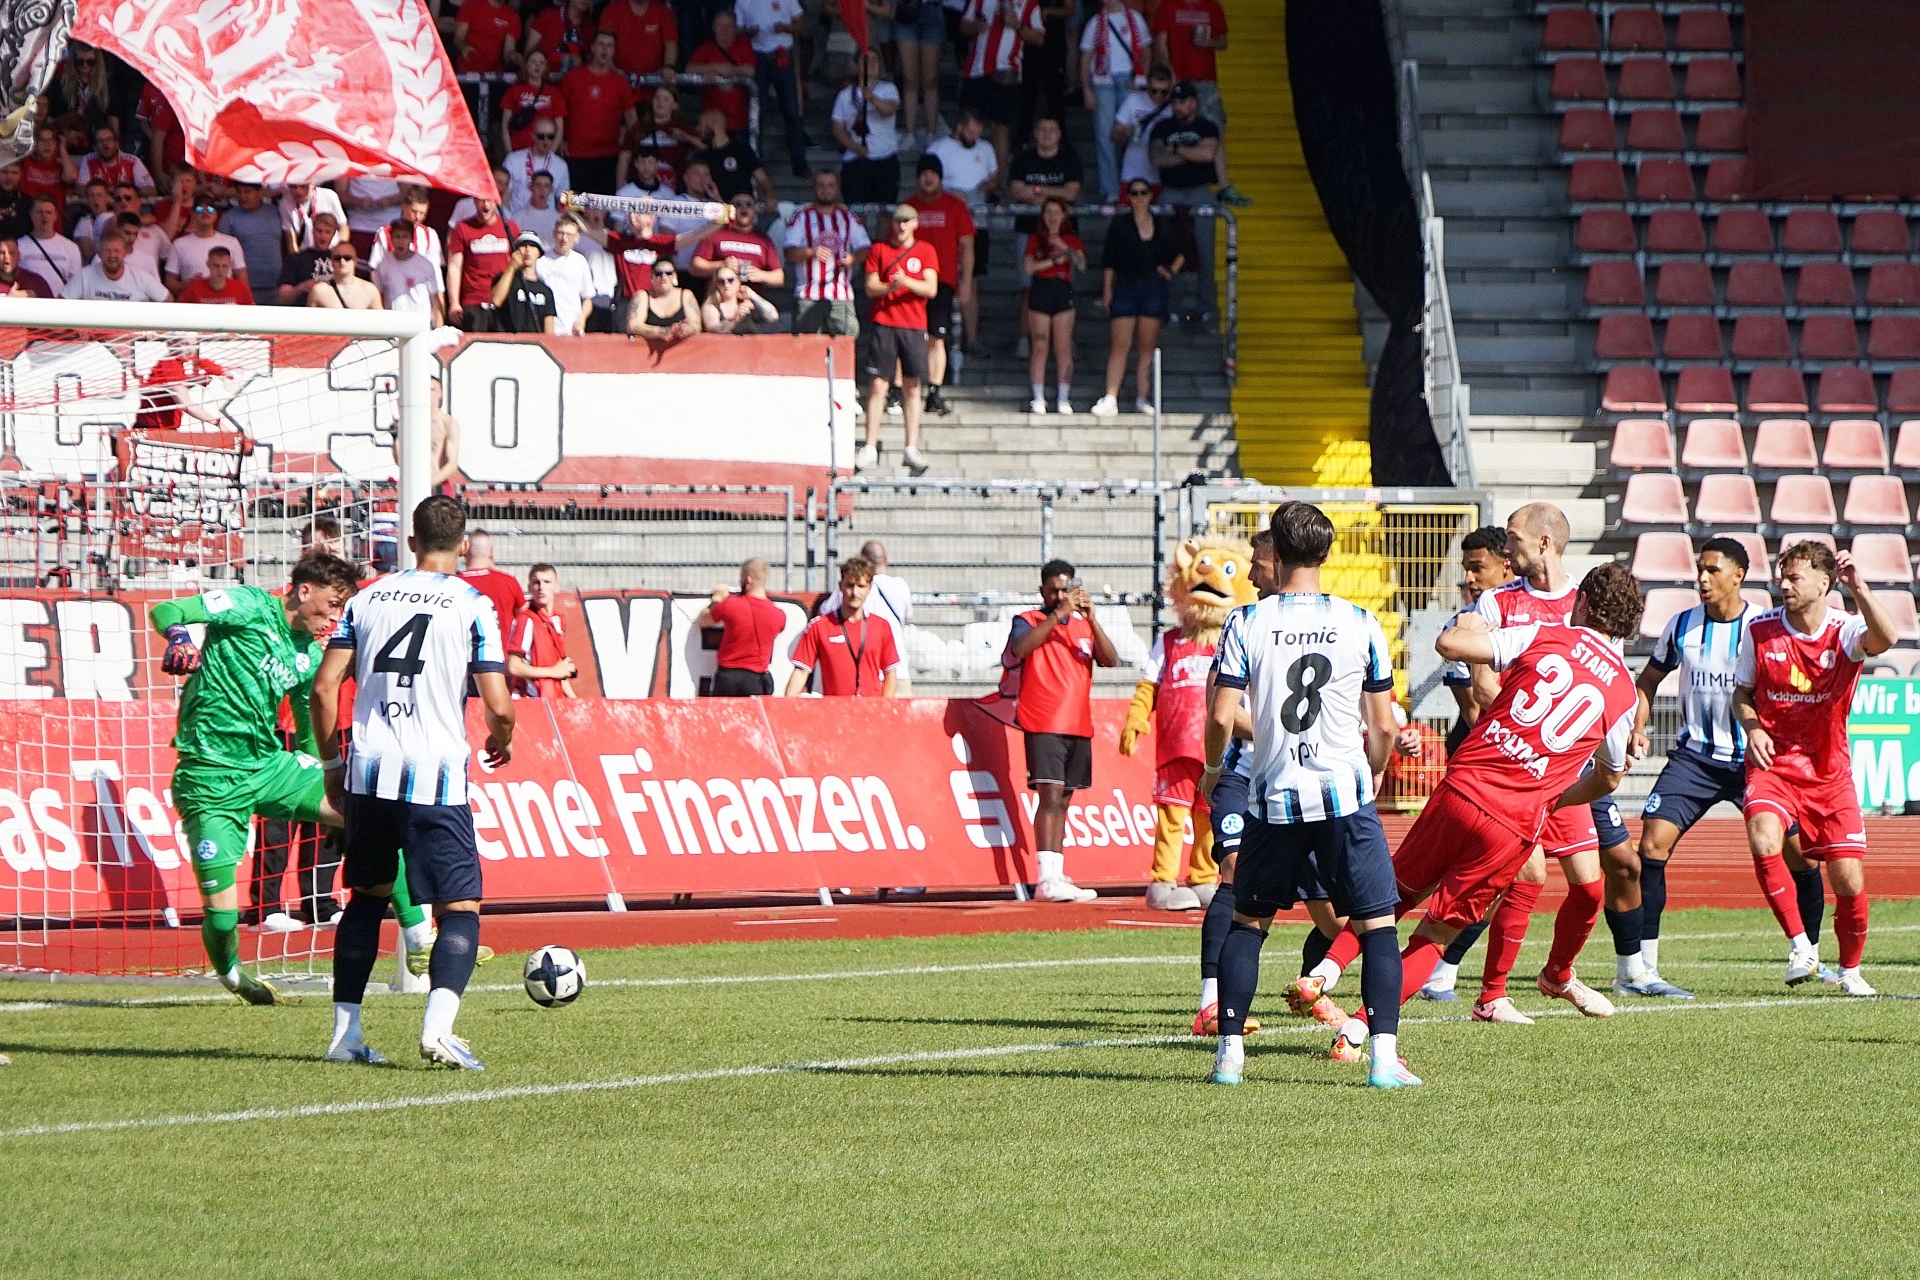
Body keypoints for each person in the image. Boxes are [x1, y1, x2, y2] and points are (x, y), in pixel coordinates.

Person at [1307, 562, 1646, 1065]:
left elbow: (1450, 645)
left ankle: (1324, 973)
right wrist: (1555, 798)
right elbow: (1610, 778)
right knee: (1437, 934)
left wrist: (1468, 624)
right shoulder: (1623, 692)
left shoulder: (1543, 633)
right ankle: (1357, 1031)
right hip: (1513, 822)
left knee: (1392, 897)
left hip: (1464, 787)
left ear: (1583, 603)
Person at [1201, 504, 1408, 1087]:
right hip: (1344, 797)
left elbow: (1220, 714)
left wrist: (1214, 768)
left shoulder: (1246, 621)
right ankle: (1383, 1061)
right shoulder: (1360, 621)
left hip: (1273, 797)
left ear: (1277, 552)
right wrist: (1374, 771)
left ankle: (1230, 1057)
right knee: (1378, 928)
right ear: (1326, 551)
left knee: (1248, 924)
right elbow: (1384, 725)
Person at [310, 495, 516, 1070]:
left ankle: (345, 1036)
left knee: (367, 898)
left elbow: (324, 688)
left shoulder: (367, 598)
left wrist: (332, 767)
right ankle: (438, 1030)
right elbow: (499, 704)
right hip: (436, 777)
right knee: (460, 907)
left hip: (369, 771)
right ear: (464, 545)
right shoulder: (473, 604)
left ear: (411, 541)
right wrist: (502, 736)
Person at [1441, 503, 1638, 1023]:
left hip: (1567, 771)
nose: (1506, 549)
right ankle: (1490, 994)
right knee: (1524, 874)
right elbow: (1483, 685)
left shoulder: (1591, 603)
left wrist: (1626, 731)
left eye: (1513, 538)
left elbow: (1612, 681)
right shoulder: (1499, 601)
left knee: (1590, 888)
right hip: (1513, 767)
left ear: (1544, 542)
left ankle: (1558, 974)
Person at [146, 554, 364, 1004]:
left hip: (267, 767)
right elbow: (167, 610)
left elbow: (308, 728)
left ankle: (420, 939)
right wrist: (179, 636)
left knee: (367, 814)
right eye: (333, 604)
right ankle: (233, 977)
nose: (335, 617)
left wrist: (326, 781)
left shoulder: (308, 656)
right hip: (207, 777)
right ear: (304, 590)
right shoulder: (246, 605)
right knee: (222, 916)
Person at [1594, 538, 1763, 1002]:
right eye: (1699, 569)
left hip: (1752, 759)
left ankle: (1807, 953)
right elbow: (1648, 680)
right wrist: (1637, 728)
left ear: (1738, 575)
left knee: (1794, 852)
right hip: (1695, 758)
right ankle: (1643, 966)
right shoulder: (1682, 624)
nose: (1702, 579)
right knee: (1650, 844)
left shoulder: (1762, 627)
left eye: (1712, 570)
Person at [1733, 542, 1897, 995]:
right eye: (1782, 577)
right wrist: (1753, 728)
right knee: (1763, 837)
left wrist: (1859, 587)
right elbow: (1742, 693)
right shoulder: (1760, 630)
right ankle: (1801, 946)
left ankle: (1850, 970)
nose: (1784, 585)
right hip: (1775, 765)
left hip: (1829, 771)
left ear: (1824, 583)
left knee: (1847, 879)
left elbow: (1886, 639)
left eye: (1795, 577)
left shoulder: (1845, 630)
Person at [1192, 528, 1276, 1034]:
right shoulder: (1242, 624)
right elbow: (1219, 705)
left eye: (1258, 562)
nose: (1251, 573)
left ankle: (1319, 984)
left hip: (1296, 784)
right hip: (1240, 775)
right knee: (1232, 871)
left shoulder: (1329, 622)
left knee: (1332, 907)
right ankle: (1210, 1003)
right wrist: (1277, 733)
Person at [1000, 558, 1118, 900]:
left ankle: (1057, 871)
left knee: (1064, 799)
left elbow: (1110, 660)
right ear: (1042, 591)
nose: (1060, 596)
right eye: (1053, 591)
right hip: (1043, 720)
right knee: (1049, 797)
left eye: (1065, 590)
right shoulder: (1028, 620)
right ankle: (1045, 878)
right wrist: (1056, 616)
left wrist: (1092, 620)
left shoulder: (1082, 627)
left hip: (1077, 723)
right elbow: (1020, 648)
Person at [860, 205, 939, 475]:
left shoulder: (926, 250)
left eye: (907, 221)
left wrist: (905, 282)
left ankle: (911, 446)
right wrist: (890, 287)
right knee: (877, 384)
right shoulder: (879, 249)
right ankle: (870, 445)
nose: (902, 226)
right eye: (898, 221)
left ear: (915, 223)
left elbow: (931, 288)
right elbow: (871, 286)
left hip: (914, 324)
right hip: (884, 321)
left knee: (913, 386)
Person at [1091, 180, 1180, 416]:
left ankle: (1143, 397)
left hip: (1153, 285)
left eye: (1143, 193)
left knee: (1146, 346)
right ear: (1128, 197)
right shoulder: (1120, 224)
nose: (1139, 197)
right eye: (1134, 193)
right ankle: (1111, 397)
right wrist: (1107, 290)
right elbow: (1109, 260)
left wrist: (1170, 271)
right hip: (1126, 284)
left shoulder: (1162, 224)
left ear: (1151, 196)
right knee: (1119, 345)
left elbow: (1181, 250)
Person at [1150, 0, 1242, 203]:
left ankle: (1223, 185)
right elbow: (1161, 43)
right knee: (1174, 129)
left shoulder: (1212, 6)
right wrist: (1168, 72)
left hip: (1206, 79)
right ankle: (1173, 181)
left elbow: (1223, 41)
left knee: (1215, 128)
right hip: (1179, 78)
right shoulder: (1169, 5)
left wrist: (1208, 43)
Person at [1150, 82, 1222, 329]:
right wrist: (1191, 153)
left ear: (1193, 103)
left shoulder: (1207, 126)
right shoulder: (1162, 127)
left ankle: (1207, 309)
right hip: (1171, 193)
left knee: (1205, 253)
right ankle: (1171, 308)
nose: (1177, 107)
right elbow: (1158, 158)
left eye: (1182, 102)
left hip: (1201, 192)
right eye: (1174, 102)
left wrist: (1176, 149)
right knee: (1170, 253)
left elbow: (1208, 154)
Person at [904, 156, 972, 415]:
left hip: (942, 282)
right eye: (924, 173)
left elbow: (967, 246)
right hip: (909, 282)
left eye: (933, 173)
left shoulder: (955, 206)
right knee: (907, 337)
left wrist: (966, 283)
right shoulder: (908, 208)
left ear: (941, 178)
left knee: (937, 338)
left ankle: (933, 392)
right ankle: (901, 390)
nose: (928, 178)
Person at [786, 555, 904, 696]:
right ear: (840, 586)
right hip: (835, 707)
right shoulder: (820, 626)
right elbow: (801, 671)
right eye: (850, 585)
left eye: (861, 586)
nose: (855, 593)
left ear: (869, 588)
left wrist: (884, 706)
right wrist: (786, 705)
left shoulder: (881, 626)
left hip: (870, 707)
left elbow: (890, 673)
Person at [958, 0, 1045, 184]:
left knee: (1001, 129)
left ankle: (996, 183)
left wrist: (1017, 25)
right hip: (977, 71)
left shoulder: (1029, 4)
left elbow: (1039, 38)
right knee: (970, 126)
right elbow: (963, 27)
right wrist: (975, 26)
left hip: (1006, 74)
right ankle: (965, 178)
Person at [1079, 0, 1151, 202]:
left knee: (1131, 135)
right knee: (1105, 137)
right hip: (1102, 82)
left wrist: (1143, 77)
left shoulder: (1135, 18)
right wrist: (1086, 90)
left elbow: (1146, 50)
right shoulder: (1094, 22)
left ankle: (1133, 185)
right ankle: (1110, 190)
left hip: (1129, 80)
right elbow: (1085, 58)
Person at [786, 169, 868, 337]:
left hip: (841, 295)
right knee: (807, 346)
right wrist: (811, 252)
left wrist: (853, 258)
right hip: (808, 295)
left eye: (830, 185)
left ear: (837, 189)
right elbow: (789, 252)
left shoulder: (848, 217)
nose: (826, 190)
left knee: (846, 342)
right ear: (814, 188)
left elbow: (865, 248)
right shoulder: (801, 217)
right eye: (821, 185)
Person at [734, 0, 812, 178]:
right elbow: (737, 29)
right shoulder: (743, 1)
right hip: (756, 56)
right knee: (756, 113)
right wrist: (748, 32)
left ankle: (799, 163)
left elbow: (800, 21)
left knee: (792, 111)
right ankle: (755, 163)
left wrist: (786, 28)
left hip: (782, 54)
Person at [1022, 197, 1085, 415]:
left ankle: (1063, 398)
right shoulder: (1035, 239)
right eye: (1048, 212)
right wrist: (1054, 262)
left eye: (1056, 212)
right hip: (1041, 288)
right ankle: (1038, 397)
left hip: (1062, 289)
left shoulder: (1071, 239)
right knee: (1040, 346)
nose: (1052, 217)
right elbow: (1028, 267)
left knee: (1063, 347)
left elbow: (1081, 263)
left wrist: (1065, 247)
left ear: (1064, 216)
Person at [561, 31, 639, 195]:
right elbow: (559, 112)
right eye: (601, 44)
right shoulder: (573, 77)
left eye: (609, 46)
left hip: (609, 156)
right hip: (576, 154)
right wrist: (560, 140)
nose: (605, 49)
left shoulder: (620, 82)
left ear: (614, 51)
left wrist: (631, 148)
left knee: (604, 205)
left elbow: (631, 118)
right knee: (576, 205)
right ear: (593, 48)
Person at [697, 558, 787, 695]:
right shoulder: (779, 615)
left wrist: (716, 599)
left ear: (748, 579)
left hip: (727, 678)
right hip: (757, 680)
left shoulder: (730, 605)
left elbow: (703, 620)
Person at [833, 49, 903, 206]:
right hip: (856, 159)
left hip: (885, 157)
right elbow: (837, 128)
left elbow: (889, 109)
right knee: (856, 210)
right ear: (856, 65)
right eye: (865, 60)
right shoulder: (845, 95)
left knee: (886, 210)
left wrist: (872, 98)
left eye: (874, 60)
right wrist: (855, 148)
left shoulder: (888, 88)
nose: (870, 64)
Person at [447, 196, 521, 331]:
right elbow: (454, 267)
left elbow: (519, 263)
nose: (485, 204)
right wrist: (454, 303)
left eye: (489, 200)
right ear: (474, 201)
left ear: (496, 201)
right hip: (474, 303)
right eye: (481, 200)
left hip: (504, 302)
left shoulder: (510, 228)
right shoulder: (463, 228)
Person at [508, 563, 580, 698]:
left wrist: (574, 701)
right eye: (536, 582)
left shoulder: (558, 620)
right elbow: (513, 666)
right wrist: (553, 671)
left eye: (547, 582)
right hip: (528, 699)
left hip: (551, 697)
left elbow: (560, 671)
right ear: (529, 588)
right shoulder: (525, 620)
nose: (541, 587)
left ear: (556, 587)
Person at [686, 11, 758, 138]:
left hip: (739, 121)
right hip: (712, 122)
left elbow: (750, 69)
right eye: (720, 25)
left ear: (735, 28)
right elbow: (689, 69)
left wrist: (732, 69)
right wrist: (714, 68)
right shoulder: (706, 47)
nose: (724, 29)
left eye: (729, 25)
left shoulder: (743, 44)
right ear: (714, 28)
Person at [692, 193, 785, 292]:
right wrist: (721, 265)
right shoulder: (715, 233)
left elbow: (779, 277)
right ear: (731, 210)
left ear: (755, 212)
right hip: (719, 296)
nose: (744, 208)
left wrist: (761, 275)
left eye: (749, 205)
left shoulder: (763, 240)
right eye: (738, 204)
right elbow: (695, 267)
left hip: (749, 298)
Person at [692, 108, 777, 208]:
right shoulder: (701, 155)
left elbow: (762, 177)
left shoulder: (741, 150)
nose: (697, 129)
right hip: (712, 209)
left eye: (701, 124)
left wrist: (770, 196)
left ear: (712, 123)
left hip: (741, 209)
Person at [63, 229, 170, 302]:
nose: (112, 255)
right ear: (99, 254)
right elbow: (62, 303)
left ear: (124, 253)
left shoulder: (140, 277)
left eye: (117, 251)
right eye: (107, 251)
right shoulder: (85, 276)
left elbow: (167, 300)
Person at [1113, 64, 1174, 193]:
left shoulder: (1173, 107)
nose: (1158, 95)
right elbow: (1114, 134)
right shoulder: (1133, 100)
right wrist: (1124, 133)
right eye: (1154, 91)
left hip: (1161, 176)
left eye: (1164, 92)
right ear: (1148, 85)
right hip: (1132, 174)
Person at [164, 200, 247, 293]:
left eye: (210, 209)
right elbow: (169, 283)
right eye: (200, 209)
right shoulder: (178, 244)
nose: (205, 212)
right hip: (193, 298)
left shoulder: (232, 242)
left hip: (225, 299)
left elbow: (242, 278)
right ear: (192, 214)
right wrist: (188, 284)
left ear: (216, 215)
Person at [459, 529, 526, 641]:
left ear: (465, 551)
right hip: (501, 649)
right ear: (490, 552)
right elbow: (523, 614)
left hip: (467, 649)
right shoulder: (508, 581)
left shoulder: (456, 583)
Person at [373, 221, 446, 323]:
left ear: (412, 239)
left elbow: (436, 300)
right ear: (391, 239)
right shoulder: (383, 265)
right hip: (394, 324)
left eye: (405, 237)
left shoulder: (427, 265)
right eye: (397, 237)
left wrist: (439, 328)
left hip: (421, 325)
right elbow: (378, 297)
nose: (401, 241)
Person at [895, 0, 946, 145]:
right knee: (909, 78)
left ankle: (931, 132)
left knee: (931, 79)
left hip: (932, 9)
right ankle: (910, 132)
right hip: (906, 9)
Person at [219, 183, 283, 297]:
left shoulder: (277, 211)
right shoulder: (229, 217)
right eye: (239, 192)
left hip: (278, 286)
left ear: (260, 192)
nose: (242, 197)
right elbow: (221, 253)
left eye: (247, 192)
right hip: (245, 288)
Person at [500, 49, 568, 153]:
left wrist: (551, 154)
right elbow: (505, 125)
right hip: (519, 149)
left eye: (541, 62)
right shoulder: (514, 91)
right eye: (533, 61)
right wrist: (510, 153)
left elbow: (559, 127)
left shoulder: (554, 93)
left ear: (545, 67)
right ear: (526, 65)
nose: (537, 66)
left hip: (544, 151)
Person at [540, 216, 598, 336]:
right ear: (554, 234)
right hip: (548, 329)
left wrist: (581, 319)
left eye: (569, 235)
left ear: (577, 238)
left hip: (572, 329)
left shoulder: (580, 261)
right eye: (561, 233)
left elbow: (587, 299)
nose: (564, 239)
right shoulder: (541, 261)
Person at [504, 122, 572, 214]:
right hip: (517, 218)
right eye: (541, 136)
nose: (545, 140)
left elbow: (564, 199)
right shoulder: (513, 159)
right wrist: (507, 219)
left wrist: (558, 220)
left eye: (550, 137)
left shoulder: (561, 165)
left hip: (547, 220)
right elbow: (505, 193)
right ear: (533, 136)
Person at [19, 196, 81, 296]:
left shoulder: (71, 247)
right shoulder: (19, 246)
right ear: (31, 214)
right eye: (39, 212)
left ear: (56, 216)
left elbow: (76, 283)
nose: (44, 216)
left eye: (49, 212)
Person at [600, 0, 679, 77]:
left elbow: (670, 44)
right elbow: (603, 43)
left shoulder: (663, 11)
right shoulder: (613, 9)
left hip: (655, 80)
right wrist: (612, 70)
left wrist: (668, 67)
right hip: (618, 78)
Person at [630, 258, 703, 341]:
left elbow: (697, 325)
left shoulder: (686, 295)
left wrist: (686, 329)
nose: (663, 277)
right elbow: (633, 326)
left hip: (682, 348)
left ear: (675, 276)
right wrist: (663, 331)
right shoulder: (642, 296)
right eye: (658, 273)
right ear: (652, 276)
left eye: (668, 273)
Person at [77, 124, 155, 194]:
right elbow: (80, 190)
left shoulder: (133, 161)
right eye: (100, 141)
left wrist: (125, 191)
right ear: (95, 147)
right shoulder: (88, 160)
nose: (105, 144)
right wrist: (107, 190)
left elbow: (151, 191)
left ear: (117, 144)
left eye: (109, 139)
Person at [702, 266, 779, 332]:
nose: (726, 284)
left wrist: (752, 295)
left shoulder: (748, 305)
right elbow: (713, 330)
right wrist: (735, 320)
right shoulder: (711, 307)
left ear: (738, 282)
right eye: (721, 281)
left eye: (730, 280)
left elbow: (773, 317)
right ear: (716, 285)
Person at [306, 243, 383, 309]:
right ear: (331, 262)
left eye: (347, 258)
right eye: (337, 258)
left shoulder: (370, 290)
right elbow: (309, 320)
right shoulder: (319, 291)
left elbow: (380, 319)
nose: (342, 261)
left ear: (355, 261)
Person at [454, 0, 524, 73]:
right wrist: (464, 46)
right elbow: (458, 37)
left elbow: (509, 50)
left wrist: (514, 57)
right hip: (466, 70)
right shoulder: (471, 5)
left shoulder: (513, 16)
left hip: (494, 73)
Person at [280, 181, 347, 257]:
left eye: (303, 186)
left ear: (313, 184)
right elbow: (291, 240)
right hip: (307, 253)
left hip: (332, 251)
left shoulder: (329, 195)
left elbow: (343, 226)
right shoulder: (285, 202)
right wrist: (297, 260)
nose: (298, 191)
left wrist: (340, 250)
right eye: (293, 186)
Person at [176, 246, 255, 305]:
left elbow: (252, 313)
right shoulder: (193, 289)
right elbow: (179, 312)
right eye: (216, 266)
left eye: (224, 266)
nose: (220, 270)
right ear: (208, 264)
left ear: (230, 265)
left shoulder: (241, 288)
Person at [515, 172, 563, 248]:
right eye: (538, 185)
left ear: (551, 189)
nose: (542, 189)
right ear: (531, 187)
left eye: (546, 185)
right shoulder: (518, 217)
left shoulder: (558, 219)